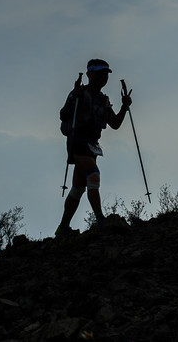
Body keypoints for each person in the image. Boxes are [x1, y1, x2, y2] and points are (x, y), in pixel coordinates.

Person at [56, 59, 132, 236]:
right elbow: (63, 114)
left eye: (105, 74)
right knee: (94, 175)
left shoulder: (104, 100)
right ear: (89, 74)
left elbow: (114, 124)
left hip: (92, 144)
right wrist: (74, 95)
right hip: (78, 141)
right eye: (99, 73)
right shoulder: (80, 93)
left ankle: (62, 227)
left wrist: (125, 107)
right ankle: (101, 220)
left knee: (78, 187)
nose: (103, 77)